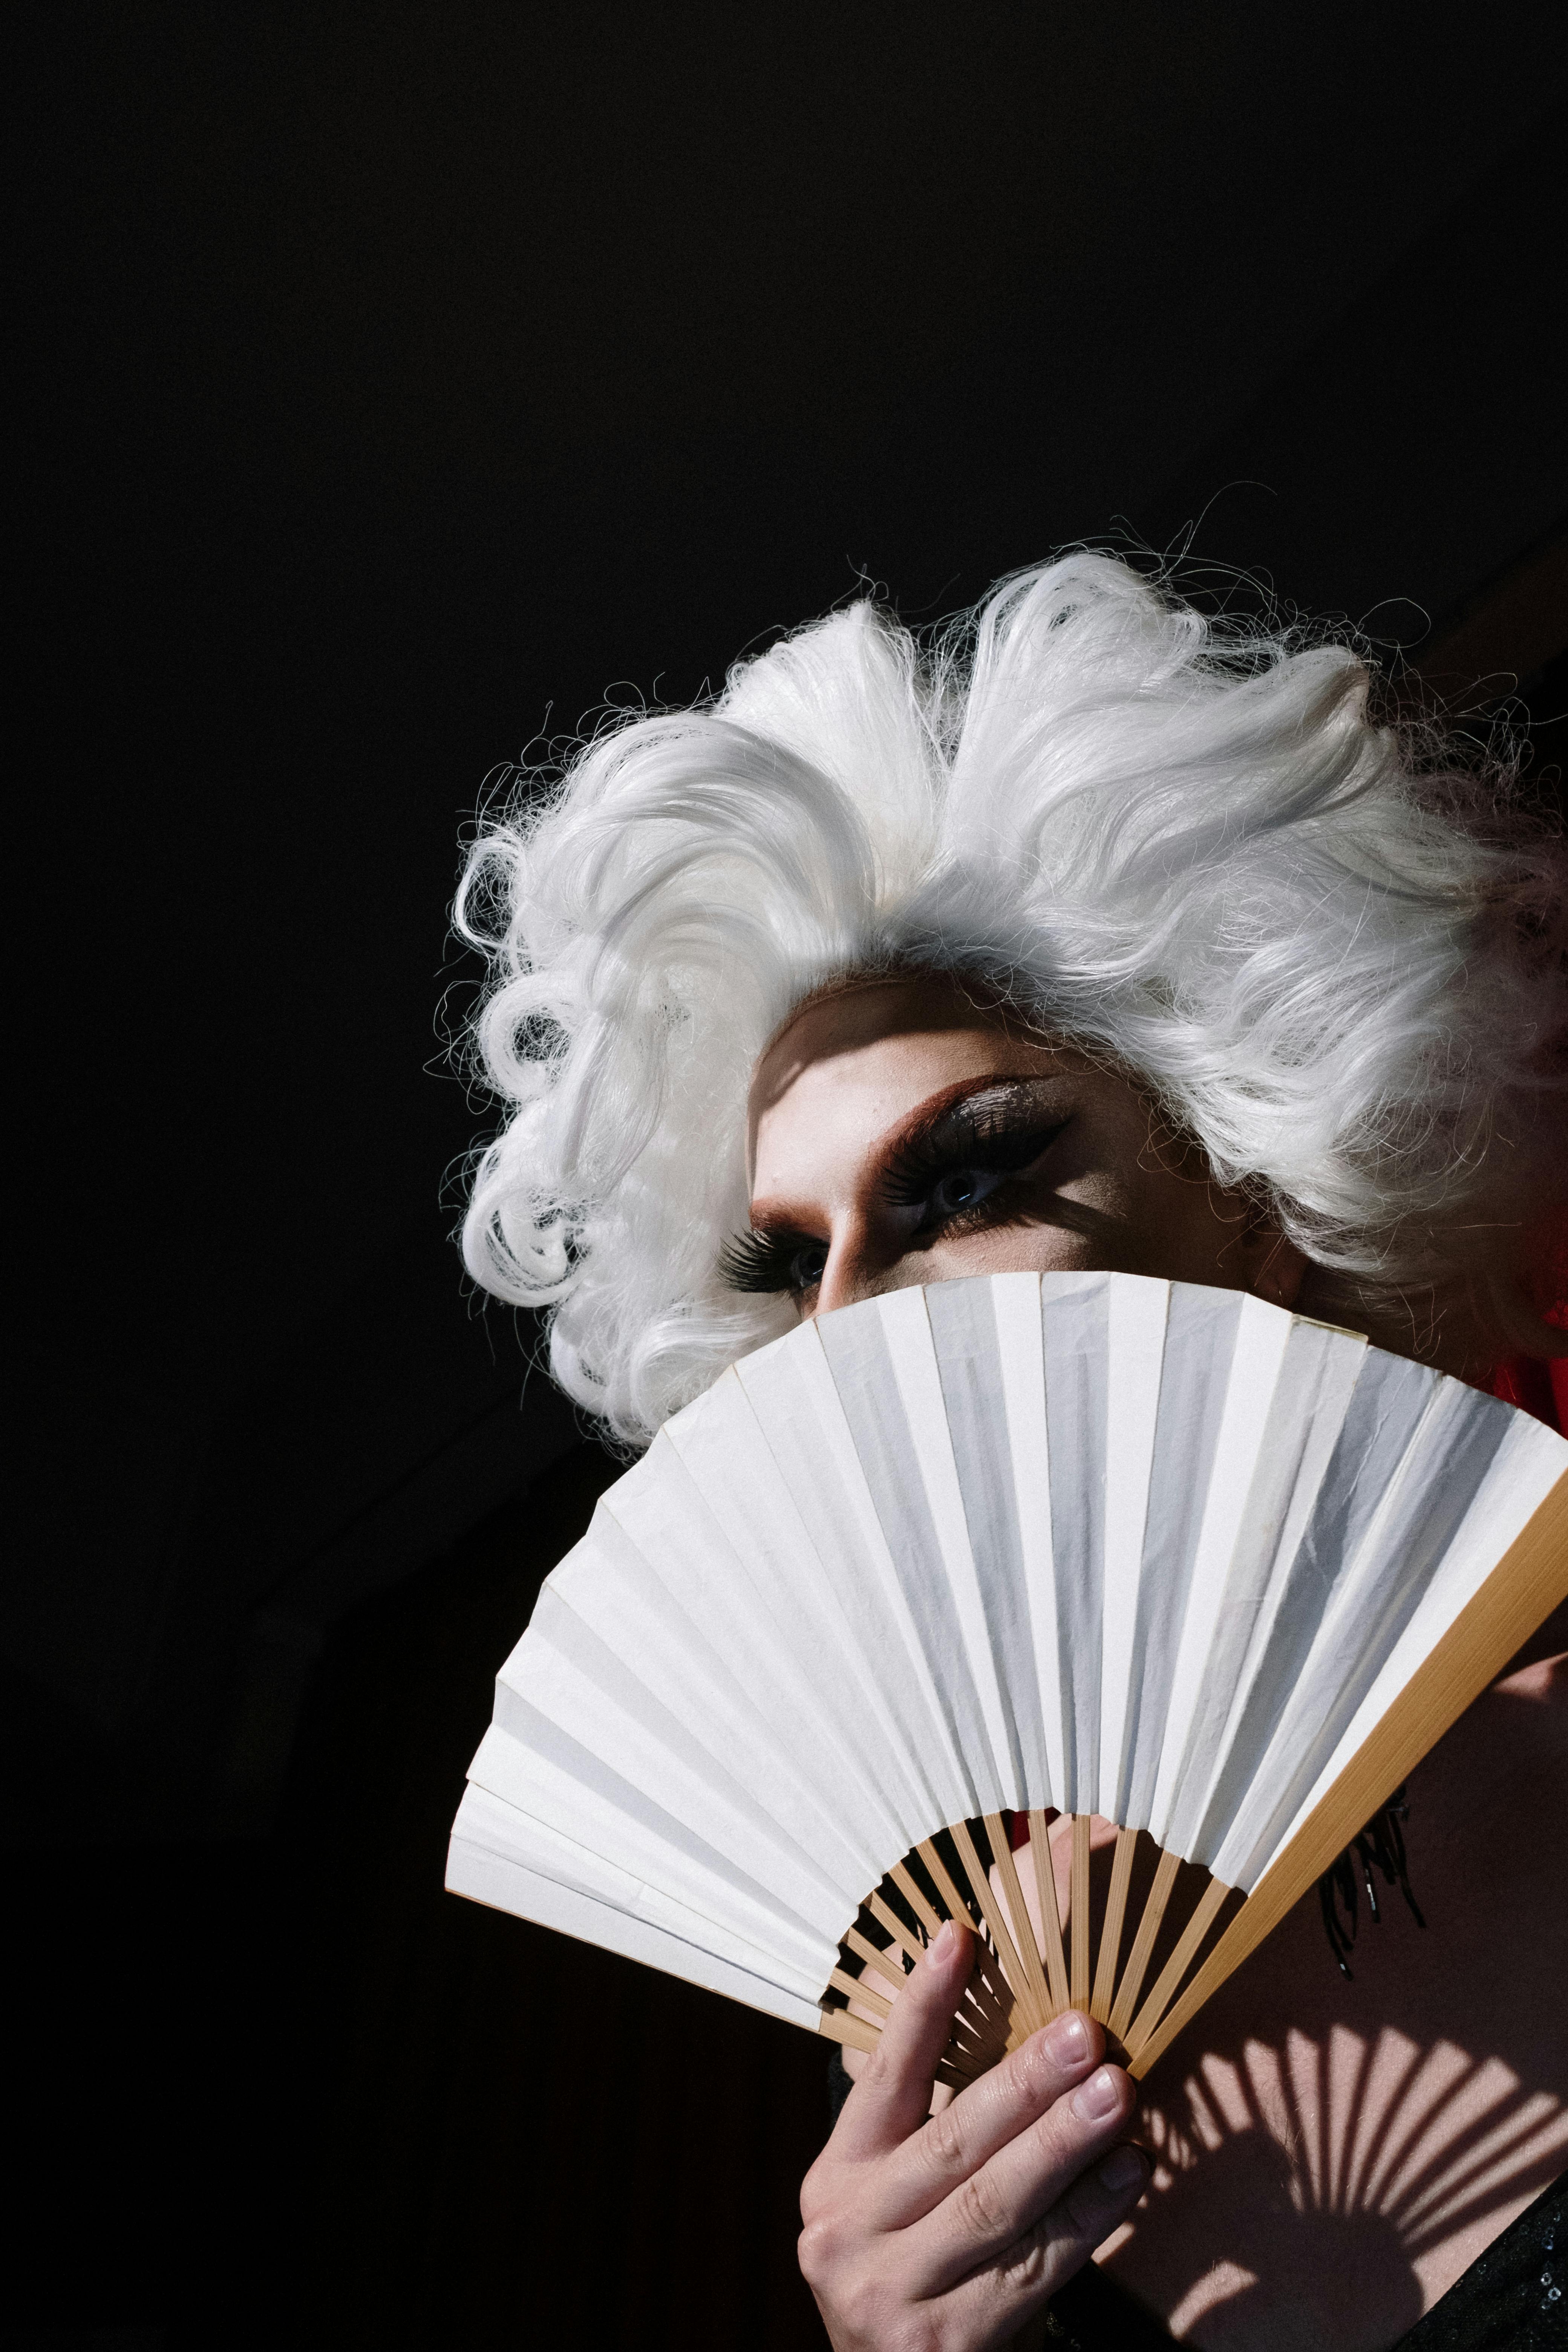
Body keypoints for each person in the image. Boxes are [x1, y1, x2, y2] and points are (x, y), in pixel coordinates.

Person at [455, 554, 1568, 2348]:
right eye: (779, 1263)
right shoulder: (957, 2046)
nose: (841, 1323)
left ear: (1251, 1192)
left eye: (961, 1180)